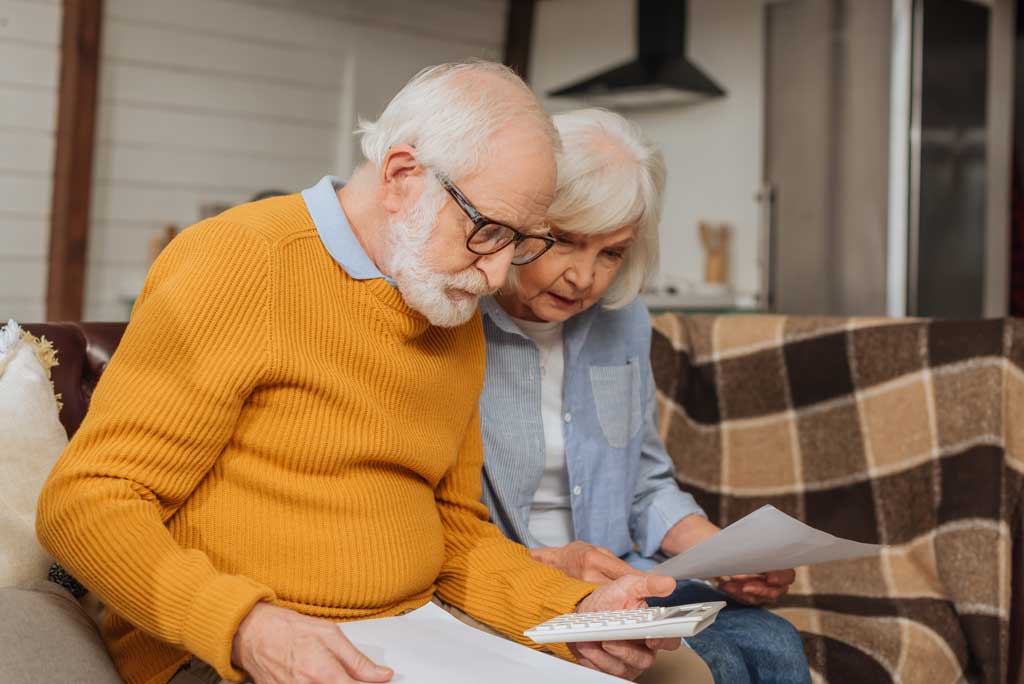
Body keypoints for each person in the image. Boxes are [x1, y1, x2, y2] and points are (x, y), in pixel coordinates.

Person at [36, 64, 679, 684]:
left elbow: (455, 535)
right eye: (487, 231)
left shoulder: (447, 301)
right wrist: (244, 625)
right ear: (401, 175)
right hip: (221, 651)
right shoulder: (241, 260)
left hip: (415, 637)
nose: (496, 275)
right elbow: (87, 501)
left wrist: (570, 612)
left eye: (524, 243)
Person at [478, 108, 812, 683]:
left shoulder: (622, 319)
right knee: (718, 663)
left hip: (627, 581)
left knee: (776, 641)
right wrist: (554, 569)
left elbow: (646, 483)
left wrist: (728, 556)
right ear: (521, 224)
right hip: (519, 588)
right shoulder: (457, 324)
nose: (585, 278)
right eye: (565, 242)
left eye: (610, 253)